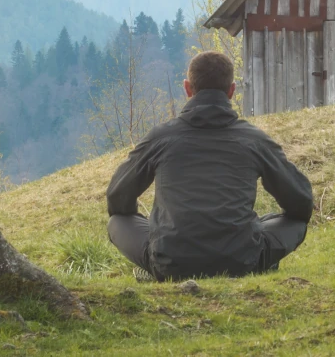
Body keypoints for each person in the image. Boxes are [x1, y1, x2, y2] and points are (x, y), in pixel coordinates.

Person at [105, 50, 313, 279]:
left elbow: (117, 197)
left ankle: (158, 269)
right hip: (242, 261)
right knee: (294, 222)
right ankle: (258, 263)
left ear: (187, 88)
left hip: (171, 263)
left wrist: (157, 230)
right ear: (232, 91)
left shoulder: (160, 138)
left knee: (118, 221)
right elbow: (300, 202)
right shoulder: (254, 140)